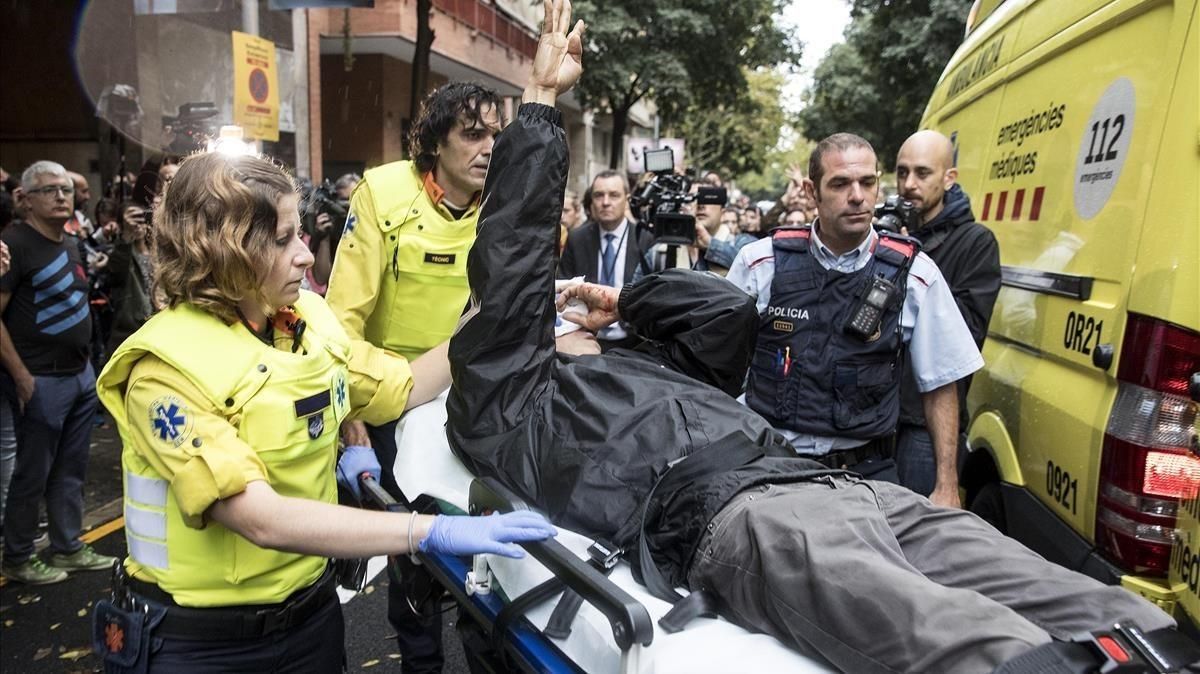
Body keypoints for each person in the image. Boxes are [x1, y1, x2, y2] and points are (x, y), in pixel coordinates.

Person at [444, 4, 1177, 670]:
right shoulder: (507, 401)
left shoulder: (630, 359)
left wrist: (627, 303)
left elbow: (724, 320)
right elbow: (509, 261)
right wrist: (538, 107)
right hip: (738, 518)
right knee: (971, 641)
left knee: (1077, 598)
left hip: (839, 485)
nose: (543, 306)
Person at [92, 150, 555, 672]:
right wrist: (425, 531)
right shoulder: (164, 370)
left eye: (302, 234)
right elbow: (259, 519)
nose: (308, 255)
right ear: (223, 249)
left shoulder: (304, 321)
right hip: (198, 644)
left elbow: (401, 387)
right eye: (283, 239)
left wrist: (501, 318)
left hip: (311, 620)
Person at [324, 79, 502, 673]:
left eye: (494, 136)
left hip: (476, 401)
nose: (487, 149)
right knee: (412, 564)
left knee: (487, 558)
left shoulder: (503, 199)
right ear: (434, 144)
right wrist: (351, 418)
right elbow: (340, 322)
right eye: (472, 135)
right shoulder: (382, 193)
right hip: (391, 401)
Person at [726, 133, 977, 507]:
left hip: (866, 478)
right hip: (768, 469)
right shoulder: (760, 264)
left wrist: (946, 484)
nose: (857, 196)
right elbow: (721, 369)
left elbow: (941, 382)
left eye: (867, 182)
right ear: (813, 192)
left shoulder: (916, 274)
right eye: (841, 183)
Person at [0, 161, 116, 585]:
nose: (61, 196)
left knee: (71, 468)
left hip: (78, 374)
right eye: (49, 190)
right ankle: (18, 555)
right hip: (40, 378)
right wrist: (21, 376)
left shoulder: (69, 242)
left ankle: (67, 546)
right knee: (32, 472)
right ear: (25, 199)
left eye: (65, 188)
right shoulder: (13, 244)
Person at [893, 130, 1001, 496]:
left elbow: (963, 338)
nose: (909, 184)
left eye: (922, 173)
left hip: (926, 428)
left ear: (948, 178)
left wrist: (911, 261)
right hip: (875, 418)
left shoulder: (975, 243)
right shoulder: (886, 235)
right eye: (901, 172)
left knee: (918, 541)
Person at [557, 170, 655, 350]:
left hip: (634, 341)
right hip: (586, 338)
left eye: (614, 195)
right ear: (592, 200)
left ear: (626, 199)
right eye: (599, 195)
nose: (606, 202)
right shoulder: (577, 239)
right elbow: (563, 288)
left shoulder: (645, 239)